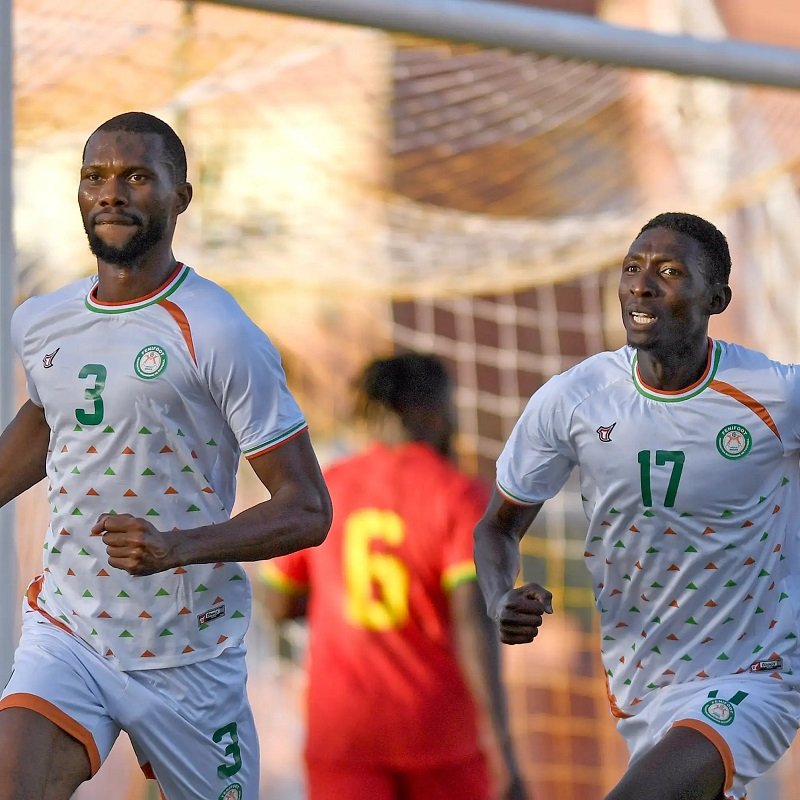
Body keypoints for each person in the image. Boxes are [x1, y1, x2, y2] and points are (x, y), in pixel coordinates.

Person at [0, 111, 333, 800]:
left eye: (136, 176)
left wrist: (175, 548)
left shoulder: (217, 330)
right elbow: (48, 420)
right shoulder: (41, 321)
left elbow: (307, 510)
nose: (111, 193)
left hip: (186, 649)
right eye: (95, 176)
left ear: (180, 196)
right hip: (70, 629)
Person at [473, 212, 800, 800]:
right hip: (642, 683)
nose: (641, 285)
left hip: (758, 675)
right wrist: (500, 596)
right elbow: (497, 529)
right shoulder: (574, 398)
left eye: (668, 272)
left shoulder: (776, 394)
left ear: (717, 298)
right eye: (632, 268)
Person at [260, 353, 528, 800]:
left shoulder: (328, 486)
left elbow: (278, 602)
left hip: (343, 734)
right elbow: (472, 623)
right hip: (438, 737)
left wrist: (335, 597)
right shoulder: (457, 494)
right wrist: (504, 751)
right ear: (432, 412)